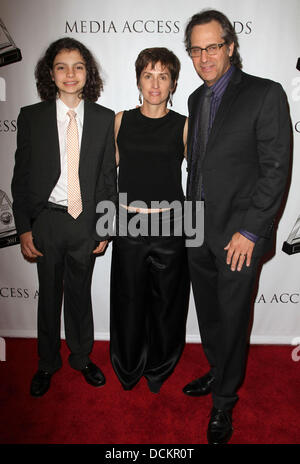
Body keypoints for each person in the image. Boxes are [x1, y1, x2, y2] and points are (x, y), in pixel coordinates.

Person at [183, 10, 291, 444]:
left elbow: (276, 168)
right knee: (209, 314)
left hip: (237, 234)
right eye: (196, 48)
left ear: (230, 46)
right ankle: (217, 369)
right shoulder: (195, 98)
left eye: (212, 46)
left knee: (231, 316)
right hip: (196, 226)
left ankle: (224, 402)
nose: (204, 56)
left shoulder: (265, 94)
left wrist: (251, 231)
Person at [11, 37, 117, 397]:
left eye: (78, 66)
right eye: (61, 66)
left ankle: (82, 357)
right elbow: (20, 178)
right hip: (48, 222)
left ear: (88, 73)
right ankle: (46, 362)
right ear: (50, 73)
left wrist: (105, 225)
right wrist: (24, 228)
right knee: (49, 295)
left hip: (85, 222)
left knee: (79, 294)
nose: (70, 74)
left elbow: (107, 178)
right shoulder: (32, 117)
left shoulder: (104, 119)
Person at [110, 47, 190, 394]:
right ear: (138, 79)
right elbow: (103, 175)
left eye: (163, 76)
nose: (155, 83)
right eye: (148, 75)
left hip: (172, 225)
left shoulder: (185, 125)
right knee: (127, 302)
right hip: (128, 223)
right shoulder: (120, 120)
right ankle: (128, 367)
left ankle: (159, 368)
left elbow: (203, 178)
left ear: (173, 82)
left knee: (168, 305)